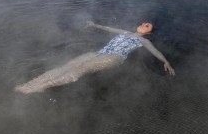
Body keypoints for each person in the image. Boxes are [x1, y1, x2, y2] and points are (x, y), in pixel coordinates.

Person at [15, 21, 175, 94]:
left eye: (148, 25)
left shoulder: (143, 40)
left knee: (80, 68)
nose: (143, 24)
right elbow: (108, 28)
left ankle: (41, 86)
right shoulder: (125, 32)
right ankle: (31, 83)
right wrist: (94, 25)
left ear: (149, 32)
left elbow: (155, 51)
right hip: (100, 53)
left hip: (115, 57)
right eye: (143, 23)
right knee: (69, 64)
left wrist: (165, 61)